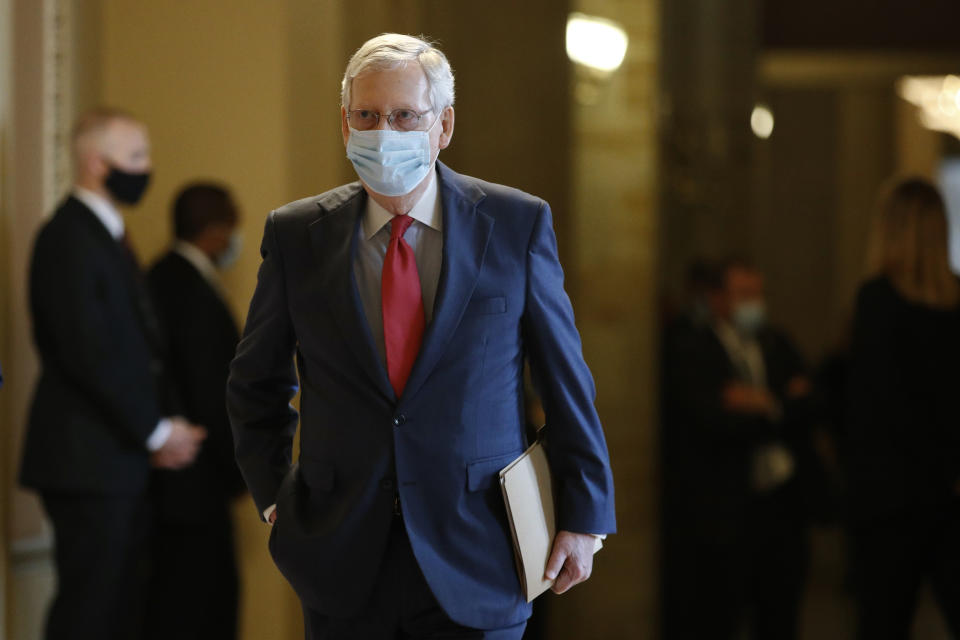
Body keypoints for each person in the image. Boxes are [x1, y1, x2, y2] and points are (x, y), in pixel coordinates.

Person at [226, 34, 616, 639]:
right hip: (341, 553)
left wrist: (584, 517)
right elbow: (256, 384)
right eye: (367, 115)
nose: (385, 131)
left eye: (405, 115)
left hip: (481, 550)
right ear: (345, 123)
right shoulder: (299, 234)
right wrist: (278, 498)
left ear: (444, 125)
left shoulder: (515, 224)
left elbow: (567, 383)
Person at [18, 108, 207, 640]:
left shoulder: (104, 234)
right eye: (136, 157)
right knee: (91, 612)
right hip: (87, 461)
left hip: (112, 459)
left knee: (120, 609)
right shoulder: (68, 238)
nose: (147, 168)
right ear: (98, 163)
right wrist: (156, 432)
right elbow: (88, 353)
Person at [660, 258, 814, 640]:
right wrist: (780, 405)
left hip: (780, 511)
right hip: (722, 513)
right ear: (717, 298)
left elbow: (811, 403)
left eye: (757, 294)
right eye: (744, 294)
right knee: (717, 618)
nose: (753, 303)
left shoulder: (778, 343)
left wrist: (762, 402)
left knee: (779, 616)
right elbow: (709, 420)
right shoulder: (694, 348)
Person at [846, 178, 960, 639]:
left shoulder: (877, 300)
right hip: (950, 493)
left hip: (889, 500)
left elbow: (874, 406)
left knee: (882, 623)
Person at [144, 183, 246, 640]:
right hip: (194, 485)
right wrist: (240, 471)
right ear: (216, 229)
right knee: (200, 611)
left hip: (169, 487)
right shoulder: (190, 292)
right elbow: (211, 391)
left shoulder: (158, 276)